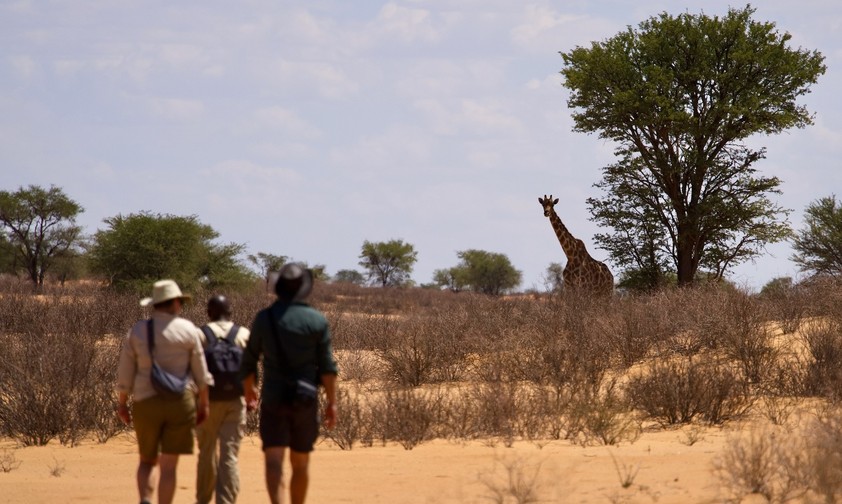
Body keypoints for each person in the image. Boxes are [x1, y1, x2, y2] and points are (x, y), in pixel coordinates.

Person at [241, 263, 338, 504]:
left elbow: (249, 359)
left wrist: (249, 389)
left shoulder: (264, 318)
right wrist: (332, 403)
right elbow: (327, 367)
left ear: (279, 288)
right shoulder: (316, 320)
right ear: (304, 289)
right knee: (301, 462)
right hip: (305, 399)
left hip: (273, 397)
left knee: (274, 459)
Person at [116, 279, 213, 504]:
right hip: (181, 401)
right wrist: (204, 404)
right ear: (177, 303)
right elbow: (202, 373)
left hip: (145, 400)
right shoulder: (189, 330)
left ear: (155, 303)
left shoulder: (138, 330)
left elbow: (125, 373)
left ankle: (145, 499)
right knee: (169, 465)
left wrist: (122, 403)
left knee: (147, 460)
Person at [196, 295, 251, 504]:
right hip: (235, 400)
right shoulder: (243, 333)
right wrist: (251, 392)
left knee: (206, 453)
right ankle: (226, 501)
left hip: (206, 401)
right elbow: (251, 368)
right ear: (231, 313)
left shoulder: (200, 334)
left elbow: (195, 369)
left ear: (209, 313)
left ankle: (202, 500)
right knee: (229, 455)